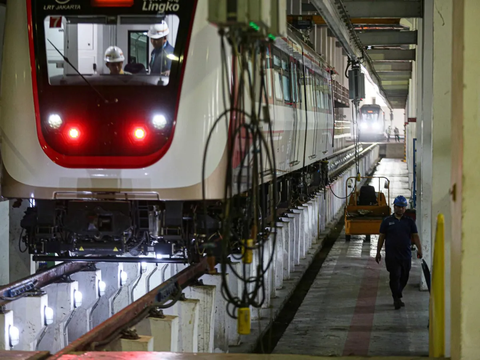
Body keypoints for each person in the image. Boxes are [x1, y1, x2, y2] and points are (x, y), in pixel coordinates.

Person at [375, 195, 423, 310]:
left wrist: (420, 249)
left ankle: (398, 292)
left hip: (405, 254)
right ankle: (396, 297)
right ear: (394, 207)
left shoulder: (409, 222)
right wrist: (378, 252)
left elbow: (415, 236)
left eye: (402, 207)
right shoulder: (387, 221)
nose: (400, 209)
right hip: (392, 255)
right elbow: (381, 237)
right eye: (398, 206)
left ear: (405, 208)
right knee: (395, 276)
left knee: (405, 276)